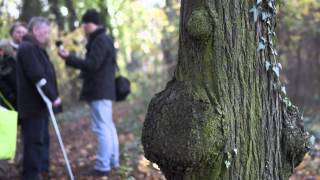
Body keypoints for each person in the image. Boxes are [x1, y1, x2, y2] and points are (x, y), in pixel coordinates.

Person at [58, 9, 119, 176]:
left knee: (102, 128)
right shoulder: (103, 39)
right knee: (108, 126)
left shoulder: (99, 40)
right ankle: (113, 161)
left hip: (99, 91)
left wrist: (69, 58)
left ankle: (103, 165)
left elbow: (92, 65)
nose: (83, 27)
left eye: (84, 23)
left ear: (90, 23)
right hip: (104, 90)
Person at [16, 17, 61, 180]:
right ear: (35, 30)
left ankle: (40, 171)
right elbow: (37, 75)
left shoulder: (34, 47)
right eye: (45, 31)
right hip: (32, 105)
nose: (47, 35)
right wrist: (52, 96)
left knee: (40, 140)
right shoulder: (27, 48)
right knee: (33, 142)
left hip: (40, 105)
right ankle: (30, 175)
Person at [0, 22, 27, 110]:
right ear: (12, 33)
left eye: (23, 32)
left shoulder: (30, 48)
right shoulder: (4, 48)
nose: (21, 35)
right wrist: (10, 94)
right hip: (13, 96)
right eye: (18, 32)